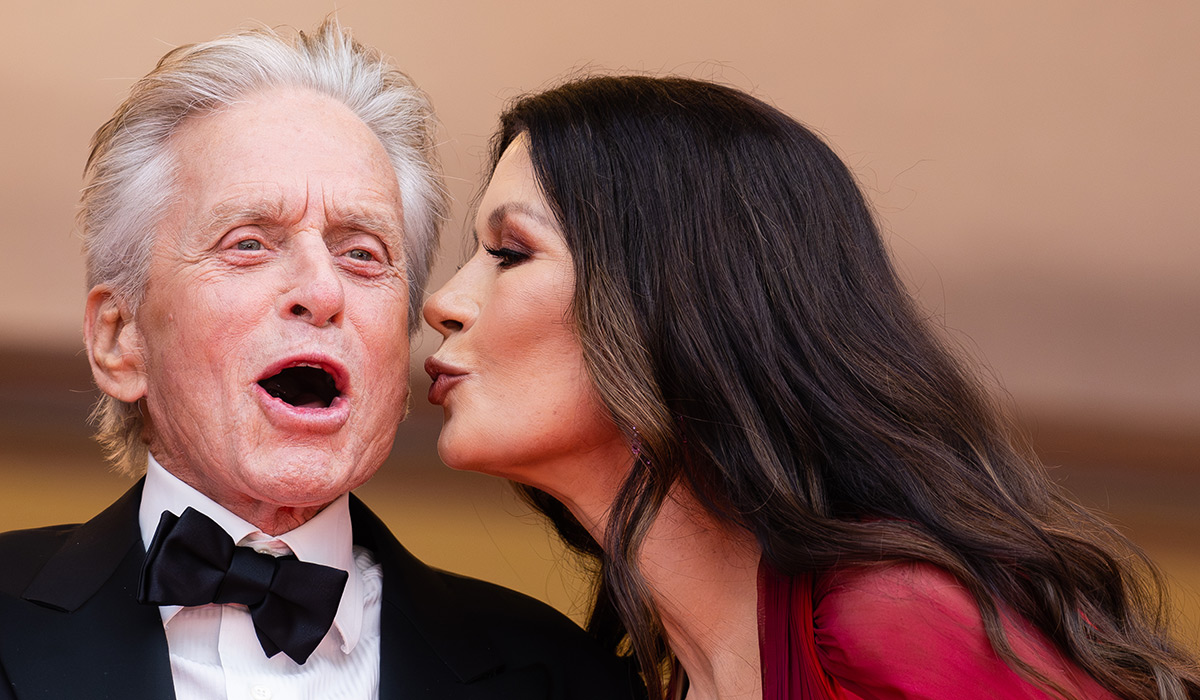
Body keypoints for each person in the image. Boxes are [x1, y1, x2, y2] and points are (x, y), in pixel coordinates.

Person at [422, 75, 1200, 699]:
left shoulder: (898, 620)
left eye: (510, 252)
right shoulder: (665, 678)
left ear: (678, 302)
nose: (443, 303)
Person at [0, 25, 640, 700]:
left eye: (362, 253)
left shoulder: (566, 678)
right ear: (119, 339)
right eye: (248, 243)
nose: (321, 291)